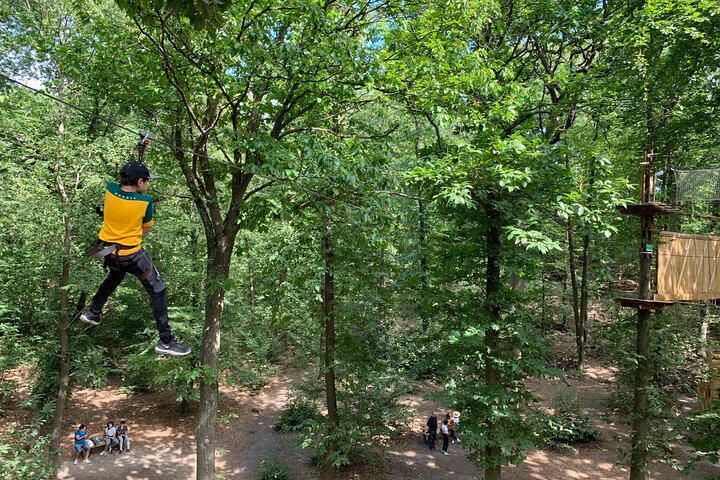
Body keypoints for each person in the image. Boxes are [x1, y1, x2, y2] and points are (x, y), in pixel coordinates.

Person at [80, 161, 191, 356]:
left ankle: (93, 312)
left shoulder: (109, 189)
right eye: (147, 181)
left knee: (114, 277)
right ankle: (166, 341)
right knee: (158, 290)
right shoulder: (145, 202)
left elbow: (122, 187)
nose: (148, 184)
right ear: (139, 181)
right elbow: (146, 229)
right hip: (132, 256)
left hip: (109, 253)